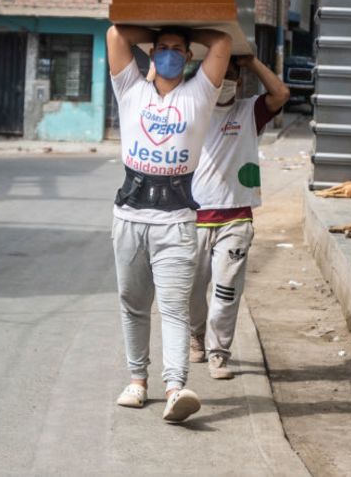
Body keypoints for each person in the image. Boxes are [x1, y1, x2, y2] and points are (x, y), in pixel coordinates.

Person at [106, 24, 233, 422]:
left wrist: (186, 23)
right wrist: (157, 25)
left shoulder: (199, 94)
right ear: (150, 52)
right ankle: (137, 381)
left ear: (189, 57)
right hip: (129, 216)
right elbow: (114, 34)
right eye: (162, 48)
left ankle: (176, 387)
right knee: (133, 304)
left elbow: (223, 42)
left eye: (178, 49)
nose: (170, 54)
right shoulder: (131, 88)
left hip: (177, 222)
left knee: (175, 308)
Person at [189, 55, 290, 379]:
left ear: (241, 80)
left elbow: (281, 94)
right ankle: (195, 335)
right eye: (221, 74)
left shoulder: (250, 112)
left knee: (226, 291)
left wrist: (252, 63)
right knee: (192, 292)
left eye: (232, 74)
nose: (226, 80)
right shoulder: (192, 110)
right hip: (193, 217)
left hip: (235, 218)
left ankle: (219, 353)